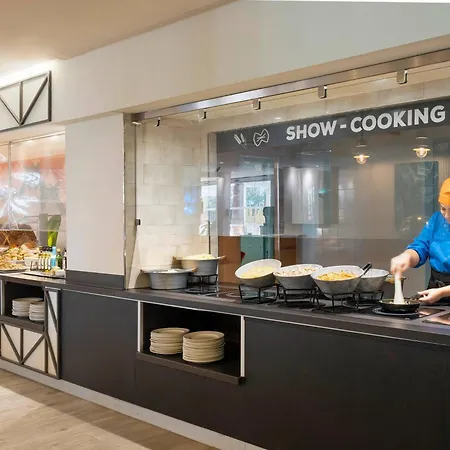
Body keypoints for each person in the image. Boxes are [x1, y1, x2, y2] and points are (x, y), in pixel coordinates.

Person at [391, 177, 450, 304]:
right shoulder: (437, 220)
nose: (447, 216)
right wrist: (407, 256)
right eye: (443, 209)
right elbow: (421, 246)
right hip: (435, 292)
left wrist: (443, 292)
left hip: (438, 293)